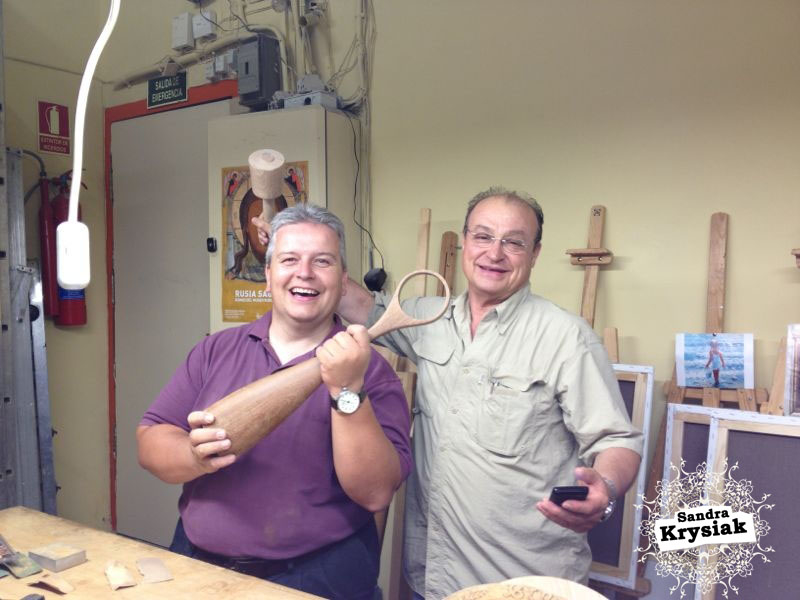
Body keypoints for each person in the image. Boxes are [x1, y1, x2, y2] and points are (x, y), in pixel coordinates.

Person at [259, 187, 643, 598]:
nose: (494, 253)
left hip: (525, 583)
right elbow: (355, 301)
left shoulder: (567, 338)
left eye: (513, 242)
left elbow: (618, 441)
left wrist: (605, 489)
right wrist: (296, 243)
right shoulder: (428, 318)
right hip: (434, 578)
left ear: (534, 254)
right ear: (464, 242)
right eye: (483, 236)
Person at [138, 204, 412, 600]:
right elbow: (150, 440)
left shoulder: (372, 373)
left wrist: (347, 390)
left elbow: (375, 493)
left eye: (322, 261)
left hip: (317, 579)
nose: (305, 272)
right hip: (197, 565)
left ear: (342, 281)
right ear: (268, 276)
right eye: (289, 260)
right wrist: (192, 456)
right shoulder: (215, 351)